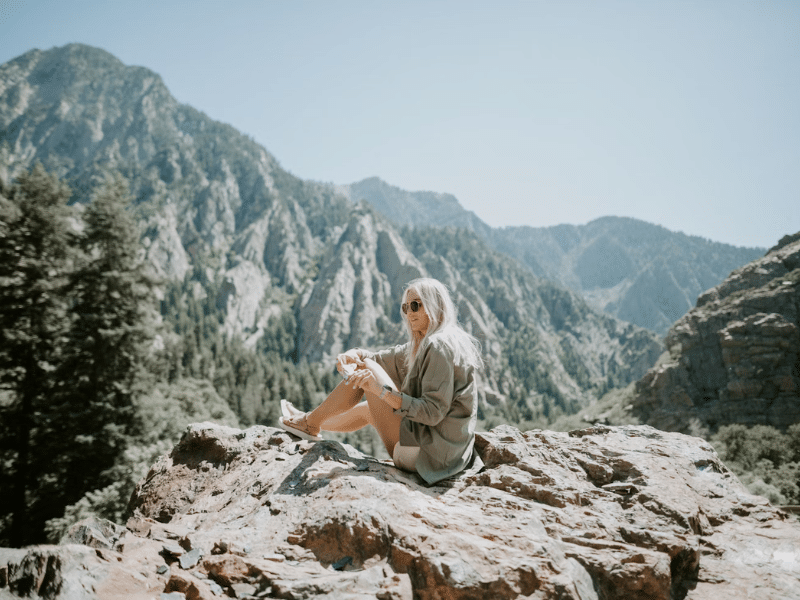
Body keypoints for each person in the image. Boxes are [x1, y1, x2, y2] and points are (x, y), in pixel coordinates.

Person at [279, 277, 483, 485]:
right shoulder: (432, 341)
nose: (409, 314)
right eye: (406, 308)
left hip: (430, 459)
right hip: (449, 455)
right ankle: (310, 420)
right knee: (368, 408)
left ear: (435, 305)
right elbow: (380, 358)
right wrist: (354, 353)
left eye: (415, 306)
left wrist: (382, 392)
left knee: (367, 372)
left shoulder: (438, 346)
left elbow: (432, 413)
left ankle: (309, 423)